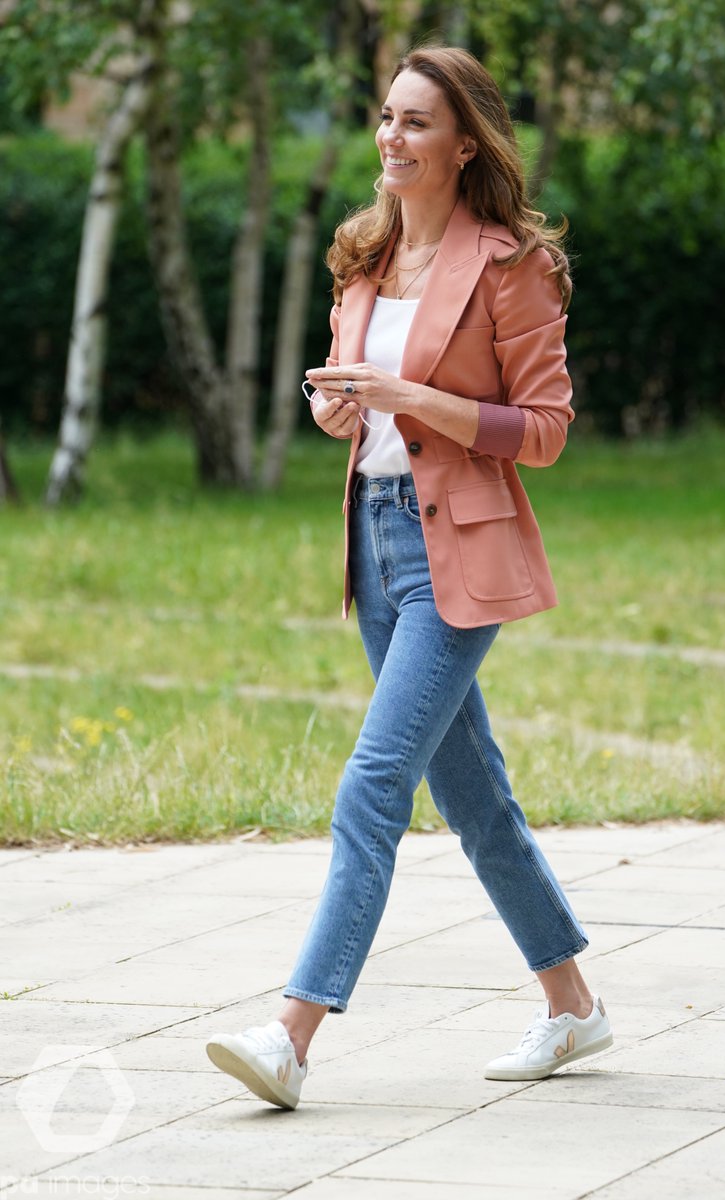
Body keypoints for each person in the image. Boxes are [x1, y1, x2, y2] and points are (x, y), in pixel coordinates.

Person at [206, 45, 612, 1111]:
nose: (391, 137)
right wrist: (335, 407)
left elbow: (545, 431)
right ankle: (571, 1004)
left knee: (374, 783)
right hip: (377, 547)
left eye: (416, 123)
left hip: (459, 553)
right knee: (472, 797)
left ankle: (292, 1035)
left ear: (463, 142)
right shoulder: (363, 254)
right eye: (385, 118)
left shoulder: (509, 263)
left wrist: (411, 397)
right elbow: (355, 405)